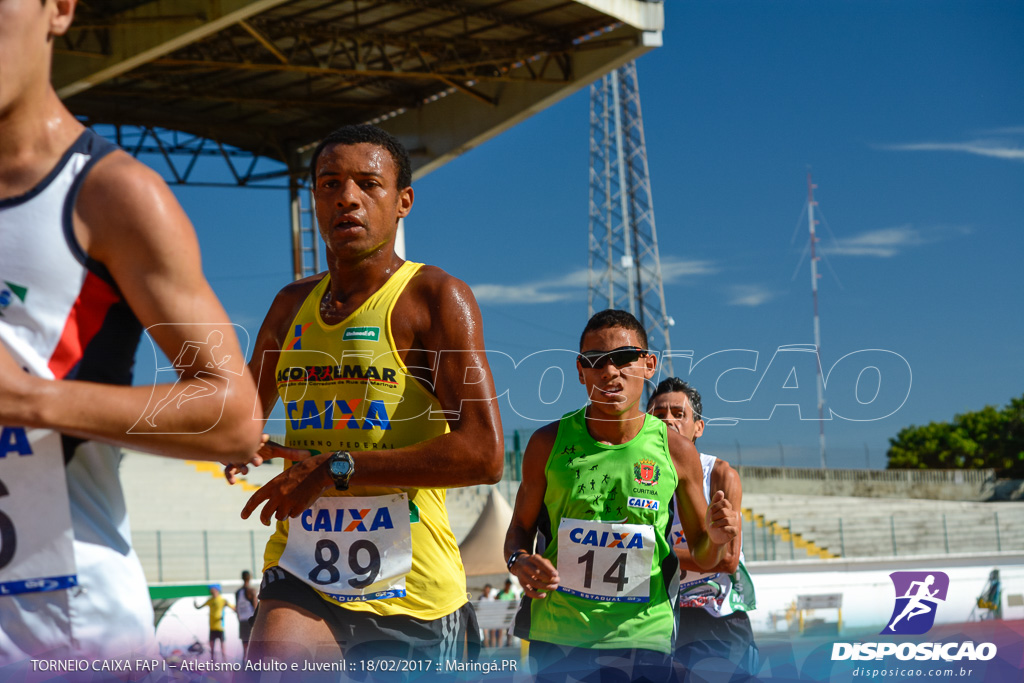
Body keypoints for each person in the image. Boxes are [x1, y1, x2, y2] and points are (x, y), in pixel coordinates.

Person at [0, 0, 261, 664]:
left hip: (61, 624)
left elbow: (233, 416)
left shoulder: (111, 195)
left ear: (57, 9)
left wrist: (33, 401)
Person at [231, 124, 503, 666]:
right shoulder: (289, 306)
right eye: (329, 184)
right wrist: (238, 446)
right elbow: (237, 422)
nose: (347, 197)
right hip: (304, 569)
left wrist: (334, 469)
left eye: (367, 184)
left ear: (403, 202)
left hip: (413, 594)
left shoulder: (435, 297)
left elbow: (484, 454)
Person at [505, 310, 738, 682]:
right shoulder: (547, 443)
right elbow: (520, 526)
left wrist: (715, 537)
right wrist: (518, 559)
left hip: (643, 636)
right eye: (595, 361)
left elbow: (704, 557)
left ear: (648, 365)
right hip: (559, 633)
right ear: (581, 371)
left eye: (624, 358)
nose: (610, 371)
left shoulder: (677, 451)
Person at [647, 378, 759, 681]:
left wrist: (653, 556)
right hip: (658, 616)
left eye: (678, 413)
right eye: (657, 415)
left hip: (714, 617)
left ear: (699, 427)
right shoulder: (637, 478)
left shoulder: (720, 474)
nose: (667, 419)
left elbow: (726, 560)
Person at [195, 585, 235, 662]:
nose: (210, 591)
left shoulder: (223, 600)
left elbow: (233, 607)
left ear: (216, 590)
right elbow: (199, 607)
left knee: (222, 648)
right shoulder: (210, 600)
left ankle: (225, 662)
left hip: (220, 627)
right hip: (212, 628)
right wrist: (195, 604)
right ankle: (213, 662)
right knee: (212, 648)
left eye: (212, 589)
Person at [236, 570, 258, 658]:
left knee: (245, 644)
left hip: (242, 619)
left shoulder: (238, 592)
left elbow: (237, 608)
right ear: (250, 577)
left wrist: (239, 618)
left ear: (242, 578)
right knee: (253, 644)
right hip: (251, 619)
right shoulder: (252, 590)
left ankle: (245, 660)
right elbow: (255, 607)